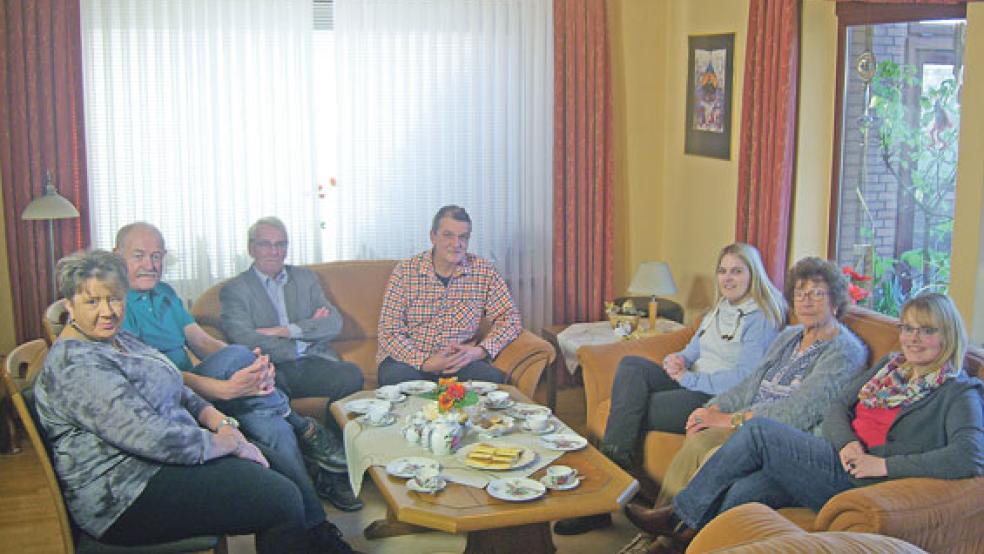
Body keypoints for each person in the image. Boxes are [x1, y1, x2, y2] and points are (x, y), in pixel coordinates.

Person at [34, 250, 355, 553]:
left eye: (114, 299)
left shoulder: (116, 338)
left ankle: (314, 538)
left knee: (280, 464)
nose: (107, 311)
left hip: (162, 460)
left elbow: (176, 385)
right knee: (281, 499)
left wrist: (222, 423)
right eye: (92, 301)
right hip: (125, 493)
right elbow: (152, 437)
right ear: (69, 306)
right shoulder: (77, 366)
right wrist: (225, 443)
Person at [628, 293, 984, 554]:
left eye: (926, 330)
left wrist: (882, 463)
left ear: (948, 335)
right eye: (907, 328)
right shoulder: (891, 368)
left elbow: (971, 457)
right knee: (744, 493)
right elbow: (838, 406)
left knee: (759, 432)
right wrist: (847, 442)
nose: (913, 338)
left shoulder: (958, 392)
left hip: (861, 480)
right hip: (832, 454)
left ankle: (678, 512)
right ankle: (678, 544)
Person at [619, 256, 868, 543]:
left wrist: (728, 420)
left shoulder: (844, 351)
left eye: (817, 293)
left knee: (737, 490)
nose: (807, 301)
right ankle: (669, 532)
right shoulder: (789, 335)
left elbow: (800, 413)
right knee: (700, 438)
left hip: (790, 438)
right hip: (750, 421)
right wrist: (711, 408)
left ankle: (671, 529)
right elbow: (750, 384)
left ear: (836, 302)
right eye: (800, 294)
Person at [114, 222, 352, 521]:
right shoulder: (114, 306)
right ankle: (302, 425)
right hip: (175, 401)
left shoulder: (165, 293)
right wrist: (225, 388)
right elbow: (159, 376)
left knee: (275, 427)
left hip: (203, 390)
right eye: (139, 256)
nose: (150, 265)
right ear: (117, 255)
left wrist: (251, 363)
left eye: (157, 256)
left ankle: (310, 526)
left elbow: (201, 341)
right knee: (247, 369)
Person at [555, 243, 786, 536]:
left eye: (737, 272)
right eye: (723, 271)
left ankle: (604, 497)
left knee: (631, 408)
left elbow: (744, 379)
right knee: (631, 366)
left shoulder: (761, 318)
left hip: (714, 398)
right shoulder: (721, 308)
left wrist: (688, 379)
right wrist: (678, 359)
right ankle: (615, 474)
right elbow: (694, 348)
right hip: (694, 380)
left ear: (754, 275)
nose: (728, 278)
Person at [220, 216, 365, 511]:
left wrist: (285, 331)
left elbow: (334, 323)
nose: (275, 252)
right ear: (252, 248)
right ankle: (304, 473)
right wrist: (305, 334)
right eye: (266, 244)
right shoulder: (235, 290)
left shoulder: (305, 279)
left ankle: (334, 471)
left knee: (350, 375)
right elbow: (244, 339)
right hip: (274, 367)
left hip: (313, 361)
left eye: (281, 245)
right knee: (266, 392)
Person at [375, 205, 522, 385]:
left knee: (493, 381)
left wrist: (479, 351)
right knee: (397, 380)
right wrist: (425, 362)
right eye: (448, 235)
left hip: (459, 361)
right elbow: (389, 331)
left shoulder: (484, 272)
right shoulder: (405, 272)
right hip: (408, 361)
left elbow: (510, 319)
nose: (456, 244)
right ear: (433, 236)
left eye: (463, 237)